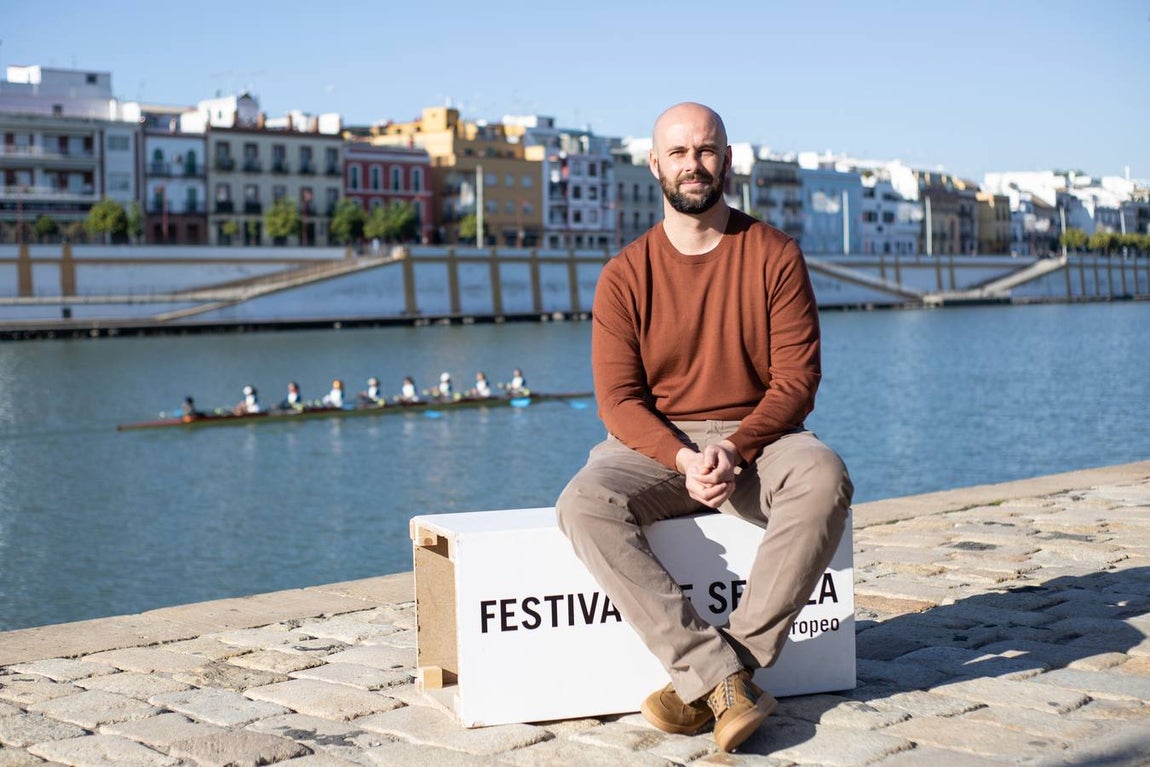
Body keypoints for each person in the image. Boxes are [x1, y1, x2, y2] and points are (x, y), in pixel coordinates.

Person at [554, 103, 852, 754]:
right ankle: (721, 677)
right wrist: (685, 456)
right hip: (657, 445)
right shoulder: (625, 275)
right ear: (656, 164)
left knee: (823, 474)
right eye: (680, 152)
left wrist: (737, 446)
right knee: (583, 501)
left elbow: (796, 382)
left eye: (707, 150)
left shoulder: (775, 255)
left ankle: (723, 674)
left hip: (760, 438)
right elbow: (618, 400)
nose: (695, 164)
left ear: (728, 160)